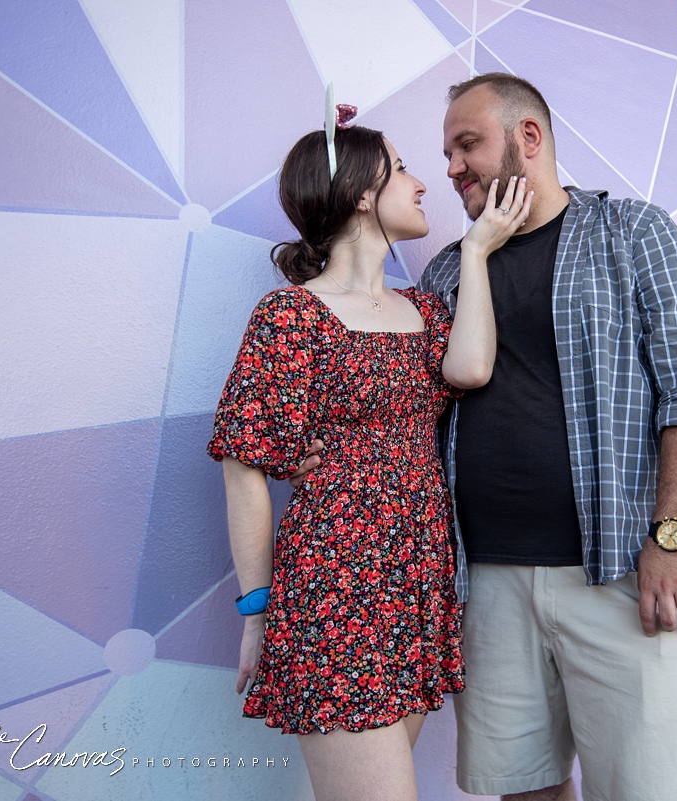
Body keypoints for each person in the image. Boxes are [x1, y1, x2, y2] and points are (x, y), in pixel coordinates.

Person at [293, 73, 677, 801]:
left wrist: (674, 535)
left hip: (619, 575)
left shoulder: (636, 235)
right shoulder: (442, 274)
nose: (451, 166)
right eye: (443, 152)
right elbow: (401, 402)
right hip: (483, 584)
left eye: (468, 145)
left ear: (528, 138)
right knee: (524, 791)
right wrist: (326, 445)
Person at [207, 113, 533, 801]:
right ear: (360, 193)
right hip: (334, 591)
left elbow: (471, 368)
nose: (423, 185)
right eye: (403, 167)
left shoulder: (426, 310)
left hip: (417, 588)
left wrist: (476, 252)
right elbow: (244, 466)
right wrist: (258, 613)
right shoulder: (288, 317)